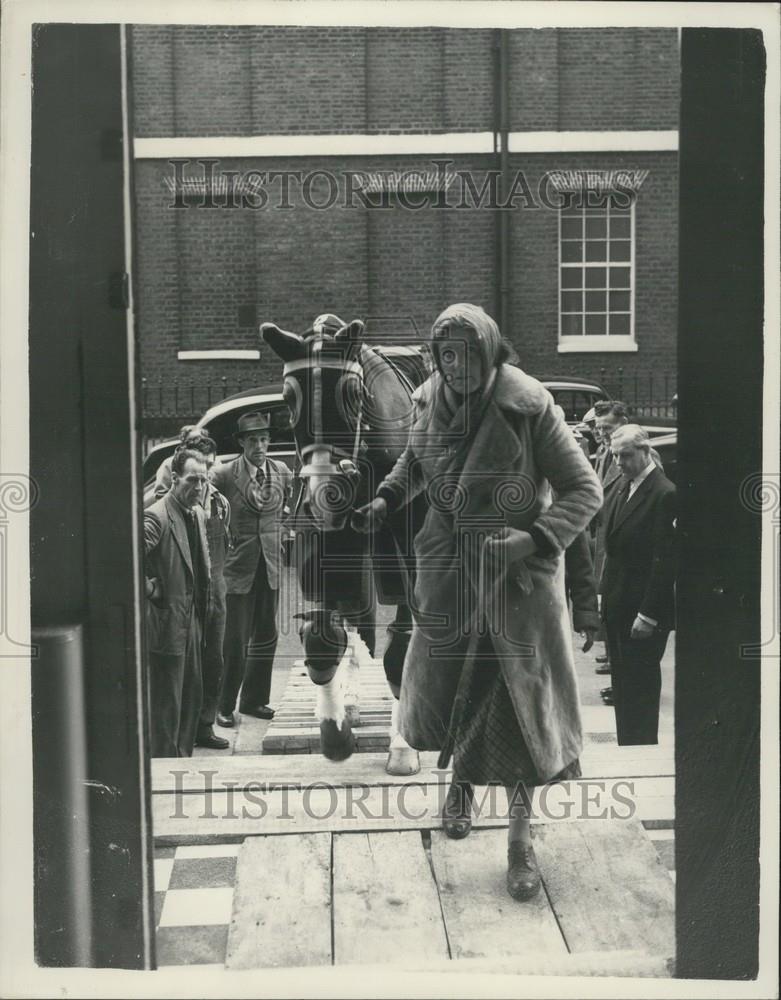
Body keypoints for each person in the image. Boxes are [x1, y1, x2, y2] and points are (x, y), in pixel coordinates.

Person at [353, 303, 602, 902]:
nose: (456, 366)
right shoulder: (428, 402)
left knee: (519, 720)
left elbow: (584, 489)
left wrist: (534, 539)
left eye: (467, 354)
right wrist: (387, 499)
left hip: (515, 586)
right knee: (457, 701)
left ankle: (520, 842)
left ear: (490, 351)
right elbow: (417, 461)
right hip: (452, 579)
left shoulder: (530, 406)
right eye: (445, 355)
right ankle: (460, 789)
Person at [211, 411, 293, 725]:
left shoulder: (283, 471)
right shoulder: (224, 474)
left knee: (266, 636)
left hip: (270, 566)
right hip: (236, 569)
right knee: (234, 642)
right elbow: (210, 516)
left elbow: (289, 506)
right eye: (252, 440)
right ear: (242, 442)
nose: (259, 445)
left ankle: (254, 701)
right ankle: (223, 705)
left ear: (269, 441)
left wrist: (281, 534)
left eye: (263, 439)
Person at [600, 424, 676, 745]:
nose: (618, 462)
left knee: (640, 688)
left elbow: (665, 562)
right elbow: (612, 548)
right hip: (618, 605)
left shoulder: (664, 493)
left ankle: (641, 748)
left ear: (645, 451)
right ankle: (627, 747)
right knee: (623, 687)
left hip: (643, 612)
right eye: (615, 455)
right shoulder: (621, 485)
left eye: (625, 456)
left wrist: (649, 614)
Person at [144, 446, 211, 756]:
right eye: (191, 480)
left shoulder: (196, 513)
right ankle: (165, 769)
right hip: (167, 625)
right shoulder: (156, 516)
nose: (199, 487)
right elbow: (122, 566)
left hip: (193, 623)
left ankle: (183, 763)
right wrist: (150, 589)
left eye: (203, 480)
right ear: (174, 479)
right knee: (167, 707)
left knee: (192, 696)